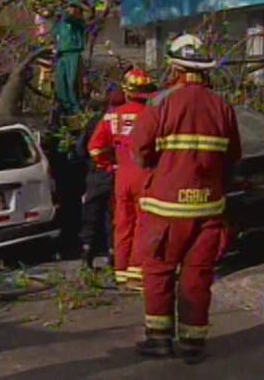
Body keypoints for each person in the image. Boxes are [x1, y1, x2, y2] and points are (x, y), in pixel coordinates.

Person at [131, 34, 242, 363]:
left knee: (159, 272)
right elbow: (233, 155)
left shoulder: (160, 103)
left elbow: (139, 151)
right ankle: (193, 344)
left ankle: (159, 339)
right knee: (197, 275)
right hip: (209, 208)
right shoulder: (222, 107)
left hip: (165, 208)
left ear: (175, 67)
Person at [88, 69, 158, 290]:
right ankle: (137, 274)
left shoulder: (112, 115)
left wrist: (109, 165)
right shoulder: (153, 115)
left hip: (122, 176)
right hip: (145, 174)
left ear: (127, 92)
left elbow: (95, 148)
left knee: (122, 223)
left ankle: (120, 271)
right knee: (142, 222)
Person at [76, 93, 124, 269]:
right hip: (117, 175)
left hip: (97, 175)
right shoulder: (124, 122)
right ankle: (112, 254)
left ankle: (87, 253)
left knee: (91, 215)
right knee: (112, 217)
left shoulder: (94, 123)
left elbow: (81, 150)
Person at [53, 0, 86, 116]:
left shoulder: (78, 21)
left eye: (73, 7)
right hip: (61, 55)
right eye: (70, 7)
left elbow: (69, 18)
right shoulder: (60, 23)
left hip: (73, 54)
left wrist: (62, 9)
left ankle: (75, 108)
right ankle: (65, 106)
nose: (70, 9)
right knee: (61, 82)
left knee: (72, 83)